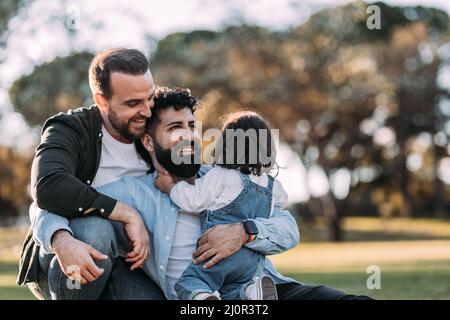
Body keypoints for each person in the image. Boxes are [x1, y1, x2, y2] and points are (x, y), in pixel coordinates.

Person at [34, 86, 371, 300]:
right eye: (175, 128)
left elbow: (288, 228)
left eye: (192, 126)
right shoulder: (133, 191)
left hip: (264, 286)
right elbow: (50, 205)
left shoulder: (226, 177)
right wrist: (61, 239)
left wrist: (244, 232)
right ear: (149, 141)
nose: (189, 136)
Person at [154, 111, 287, 300]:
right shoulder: (272, 186)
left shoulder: (220, 175)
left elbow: (192, 200)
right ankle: (252, 291)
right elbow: (282, 203)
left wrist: (170, 187)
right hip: (251, 260)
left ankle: (203, 297)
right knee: (235, 289)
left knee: (190, 282)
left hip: (220, 256)